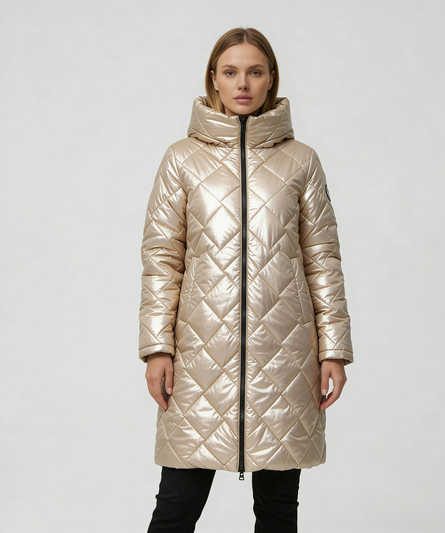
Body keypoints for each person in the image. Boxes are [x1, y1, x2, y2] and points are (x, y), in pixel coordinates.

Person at [138, 26, 354, 533]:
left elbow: (323, 259)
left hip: (285, 358)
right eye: (231, 72)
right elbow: (162, 259)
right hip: (198, 359)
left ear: (271, 78)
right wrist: (157, 348)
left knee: (278, 512)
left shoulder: (301, 160)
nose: (242, 83)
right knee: (175, 509)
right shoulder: (181, 159)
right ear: (213, 78)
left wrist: (334, 351)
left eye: (255, 72)